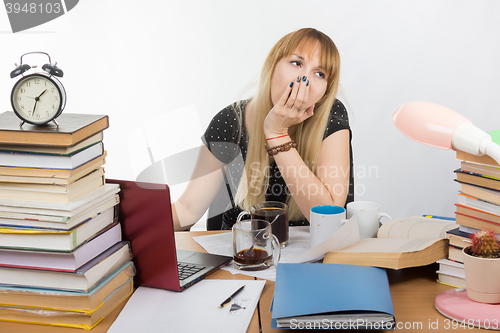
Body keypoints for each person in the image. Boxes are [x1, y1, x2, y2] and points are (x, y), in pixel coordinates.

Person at [172, 27, 353, 231]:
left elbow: (325, 216)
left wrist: (277, 133)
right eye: (297, 63)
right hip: (238, 257)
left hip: (307, 259)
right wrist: (137, 222)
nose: (305, 80)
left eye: (319, 73)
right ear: (272, 66)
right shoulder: (230, 121)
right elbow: (187, 209)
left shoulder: (332, 116)